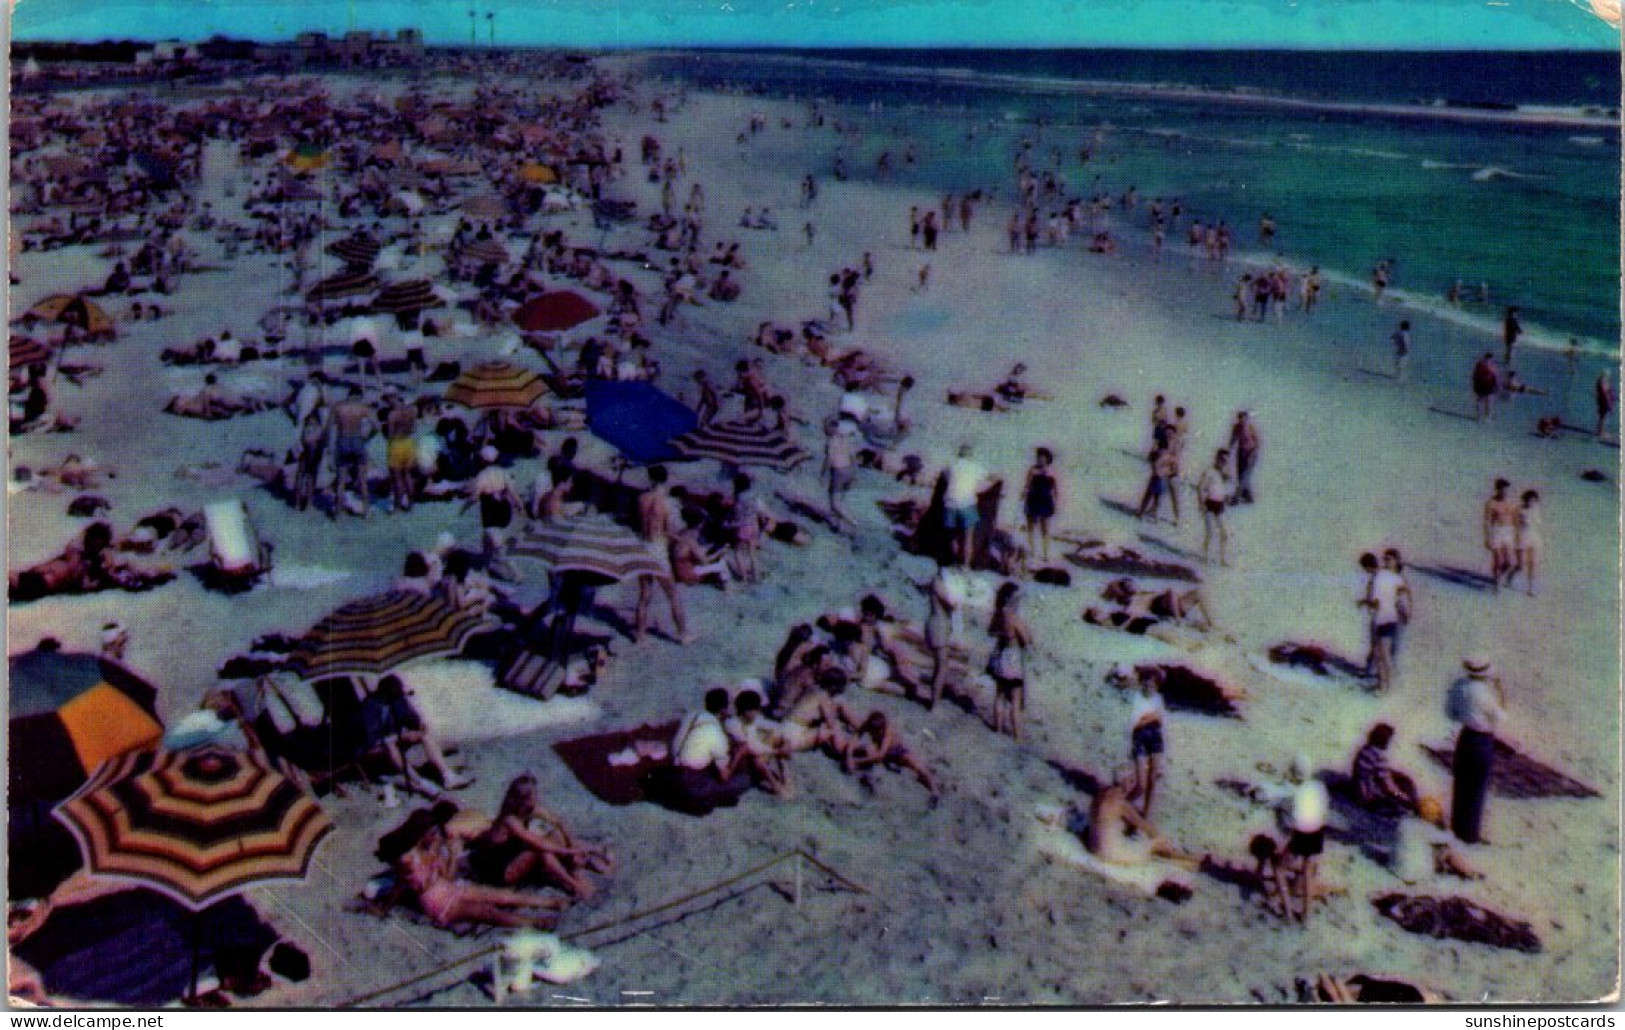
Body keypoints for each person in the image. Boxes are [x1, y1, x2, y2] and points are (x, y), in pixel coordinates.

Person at [382, 804, 564, 930]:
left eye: (435, 831)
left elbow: (448, 877)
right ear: (420, 834)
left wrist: (452, 855)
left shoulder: (434, 847)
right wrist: (384, 906)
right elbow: (400, 885)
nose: (436, 835)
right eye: (432, 833)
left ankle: (550, 903)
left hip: (451, 888)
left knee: (495, 894)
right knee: (484, 911)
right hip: (439, 904)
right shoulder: (407, 859)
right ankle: (534, 922)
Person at [469, 775, 615, 899]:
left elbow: (559, 822)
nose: (538, 797)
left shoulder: (528, 809)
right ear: (524, 799)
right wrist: (571, 852)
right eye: (534, 795)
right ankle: (575, 885)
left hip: (514, 856)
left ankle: (586, 859)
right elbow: (538, 844)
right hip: (499, 872)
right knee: (540, 851)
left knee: (554, 836)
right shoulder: (510, 820)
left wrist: (571, 844)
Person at [364, 676, 474, 792]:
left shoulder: (398, 699)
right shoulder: (369, 708)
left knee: (424, 736)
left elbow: (411, 719)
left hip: (394, 739)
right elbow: (373, 740)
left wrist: (419, 724)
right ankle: (420, 782)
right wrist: (401, 737)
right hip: (370, 748)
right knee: (389, 745)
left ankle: (448, 777)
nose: (399, 697)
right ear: (384, 693)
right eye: (395, 695)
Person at [1446, 656, 1507, 844]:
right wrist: (1501, 691)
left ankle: (1457, 829)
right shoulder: (1486, 693)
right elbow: (1501, 717)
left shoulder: (1459, 686)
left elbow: (1450, 713)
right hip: (1482, 740)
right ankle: (1470, 835)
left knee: (1461, 785)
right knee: (1477, 789)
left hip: (1465, 737)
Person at [634, 465, 691, 644]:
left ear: (650, 478)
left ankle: (640, 636)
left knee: (644, 594)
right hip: (658, 548)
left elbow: (640, 524)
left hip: (642, 546)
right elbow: (668, 530)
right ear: (666, 480)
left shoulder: (641, 498)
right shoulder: (667, 502)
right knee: (672, 593)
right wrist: (682, 539)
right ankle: (683, 635)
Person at [1084, 768, 1181, 866]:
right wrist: (1161, 839)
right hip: (1108, 854)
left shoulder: (1100, 794)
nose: (1133, 785)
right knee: (1157, 844)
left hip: (1092, 847)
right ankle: (1186, 859)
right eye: (1131, 781)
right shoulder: (1121, 804)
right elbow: (1147, 827)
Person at [841, 711, 939, 800]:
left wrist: (856, 761)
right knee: (867, 750)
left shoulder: (888, 731)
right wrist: (849, 755)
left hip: (897, 751)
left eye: (877, 731)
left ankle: (935, 791)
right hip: (881, 751)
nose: (874, 734)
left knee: (918, 767)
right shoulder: (868, 724)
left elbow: (881, 755)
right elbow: (856, 736)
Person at [461, 449, 522, 581]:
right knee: (488, 539)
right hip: (504, 511)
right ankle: (486, 565)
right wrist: (520, 506)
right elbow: (513, 493)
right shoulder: (503, 472)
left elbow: (475, 497)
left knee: (496, 542)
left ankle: (515, 573)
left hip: (491, 512)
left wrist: (463, 507)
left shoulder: (482, 475)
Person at [1280, 764, 1330, 923]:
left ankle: (1288, 913)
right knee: (1308, 871)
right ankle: (1307, 915)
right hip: (1318, 831)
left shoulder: (1295, 792)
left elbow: (1290, 821)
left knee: (1279, 869)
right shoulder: (1319, 786)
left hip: (1302, 832)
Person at [986, 582, 1033, 741]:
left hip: (1000, 655)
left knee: (999, 695)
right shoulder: (1015, 618)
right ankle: (1017, 737)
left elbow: (991, 631)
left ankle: (997, 729)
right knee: (1015, 700)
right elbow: (1026, 640)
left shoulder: (998, 614)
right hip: (1013, 658)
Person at [1358, 552, 1409, 692]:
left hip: (1381, 619)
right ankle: (1385, 684)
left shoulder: (1375, 579)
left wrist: (1365, 602)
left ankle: (1383, 687)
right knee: (1385, 654)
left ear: (1367, 567)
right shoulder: (1390, 575)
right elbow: (1402, 591)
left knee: (1382, 655)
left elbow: (1376, 603)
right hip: (1392, 618)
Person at [327, 385, 377, 518]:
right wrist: (367, 437)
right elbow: (376, 426)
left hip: (343, 440)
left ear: (348, 395)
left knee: (341, 479)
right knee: (362, 479)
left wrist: (328, 448)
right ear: (359, 396)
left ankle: (338, 512)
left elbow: (328, 427)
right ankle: (366, 511)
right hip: (357, 440)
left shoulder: (337, 407)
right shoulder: (363, 408)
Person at [1351, 723, 1422, 816]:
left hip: (1357, 790)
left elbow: (1377, 770)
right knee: (1401, 807)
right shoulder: (1379, 756)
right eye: (1390, 740)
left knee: (1398, 777)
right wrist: (1404, 798)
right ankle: (1415, 808)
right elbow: (1388, 786)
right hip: (1368, 799)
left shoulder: (1366, 749)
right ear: (1385, 740)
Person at [921, 557, 964, 710]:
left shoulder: (938, 581)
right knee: (941, 666)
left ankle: (935, 700)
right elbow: (950, 602)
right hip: (939, 624)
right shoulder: (938, 582)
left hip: (940, 624)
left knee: (939, 666)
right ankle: (935, 704)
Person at [944, 444, 991, 566]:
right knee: (968, 538)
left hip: (950, 503)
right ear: (970, 456)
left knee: (953, 536)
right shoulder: (975, 467)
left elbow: (946, 478)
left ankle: (953, 562)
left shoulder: (950, 466)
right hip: (967, 503)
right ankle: (965, 566)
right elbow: (990, 478)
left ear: (959, 454)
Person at [1128, 667, 1166, 817]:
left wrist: (1147, 718)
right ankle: (1122, 804)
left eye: (1152, 685)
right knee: (1141, 785)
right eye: (1146, 683)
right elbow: (1135, 723)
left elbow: (1161, 719)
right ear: (1141, 683)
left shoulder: (1158, 698)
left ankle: (1146, 815)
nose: (1149, 687)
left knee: (1153, 781)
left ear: (1156, 686)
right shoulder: (1135, 697)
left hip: (1155, 737)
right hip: (1139, 739)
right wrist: (1152, 717)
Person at [1022, 447, 1060, 561]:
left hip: (1046, 501)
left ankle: (1046, 554)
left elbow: (1056, 490)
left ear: (1047, 459)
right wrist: (1023, 494)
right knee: (1031, 527)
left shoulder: (1052, 472)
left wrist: (1057, 503)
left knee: (1045, 529)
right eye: (1038, 457)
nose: (1040, 460)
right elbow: (1027, 485)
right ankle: (1032, 551)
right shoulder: (1032, 470)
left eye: (1042, 457)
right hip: (1033, 500)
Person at [1195, 448, 1232, 566]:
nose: (1223, 462)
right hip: (1209, 504)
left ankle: (1223, 559)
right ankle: (1205, 557)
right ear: (1216, 458)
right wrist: (1201, 504)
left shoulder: (1225, 475)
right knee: (1210, 532)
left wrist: (1227, 497)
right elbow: (1200, 488)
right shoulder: (1209, 472)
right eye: (1221, 459)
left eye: (1225, 460)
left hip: (1220, 505)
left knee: (1224, 533)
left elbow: (1225, 490)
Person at [384, 394, 418, 513]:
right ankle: (411, 504)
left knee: (397, 478)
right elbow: (414, 429)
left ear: (391, 399)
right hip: (409, 443)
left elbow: (390, 434)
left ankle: (397, 506)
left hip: (396, 444)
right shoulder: (412, 411)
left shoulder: (392, 414)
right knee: (408, 475)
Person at [1482, 478, 1518, 592]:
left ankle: (1497, 576)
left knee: (1509, 562)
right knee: (1498, 560)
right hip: (1496, 531)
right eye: (1502, 489)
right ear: (1497, 489)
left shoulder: (1511, 503)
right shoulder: (1491, 503)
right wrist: (1487, 537)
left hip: (1508, 532)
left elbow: (1515, 519)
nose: (1505, 492)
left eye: (1506, 490)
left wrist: (1516, 534)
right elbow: (1487, 522)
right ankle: (1496, 583)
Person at [822, 414, 859, 525]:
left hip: (839, 471)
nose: (824, 429)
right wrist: (855, 475)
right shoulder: (845, 437)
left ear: (831, 428)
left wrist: (823, 474)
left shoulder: (831, 441)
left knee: (835, 503)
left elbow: (829, 459)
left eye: (825, 427)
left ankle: (853, 522)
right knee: (840, 499)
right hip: (849, 470)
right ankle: (838, 524)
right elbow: (853, 457)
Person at [292, 409, 326, 512]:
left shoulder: (305, 422)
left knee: (300, 475)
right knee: (311, 477)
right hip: (313, 449)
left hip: (304, 449)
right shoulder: (318, 424)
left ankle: (297, 503)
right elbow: (322, 439)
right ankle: (308, 503)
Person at [1513, 490, 1543, 597]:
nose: (1532, 502)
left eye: (1534, 500)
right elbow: (1514, 524)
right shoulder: (1518, 510)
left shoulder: (1536, 510)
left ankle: (1531, 587)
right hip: (1521, 537)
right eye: (1530, 500)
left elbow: (1538, 523)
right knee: (1520, 565)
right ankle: (1510, 576)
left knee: (1533, 563)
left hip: (1534, 538)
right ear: (1525, 500)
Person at [1228, 411, 1259, 504]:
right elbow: (1233, 439)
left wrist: (1252, 454)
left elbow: (1257, 442)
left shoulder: (1250, 427)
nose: (1242, 421)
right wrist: (1229, 450)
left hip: (1251, 452)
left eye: (1243, 419)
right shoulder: (1236, 428)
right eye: (1240, 418)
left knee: (1244, 476)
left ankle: (1236, 497)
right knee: (1240, 475)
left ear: (1246, 419)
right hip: (1241, 452)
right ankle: (1248, 496)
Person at [1471, 352, 1500, 421]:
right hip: (1486, 385)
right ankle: (1485, 417)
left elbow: (1475, 375)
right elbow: (1495, 377)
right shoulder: (1491, 366)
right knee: (1487, 402)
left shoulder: (1480, 364)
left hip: (1482, 385)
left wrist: (1474, 385)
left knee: (1481, 401)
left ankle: (1479, 416)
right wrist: (1496, 387)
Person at [1595, 370, 1615, 441]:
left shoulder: (1599, 381)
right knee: (1603, 417)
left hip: (1601, 401)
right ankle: (1601, 433)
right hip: (1604, 402)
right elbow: (1606, 394)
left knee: (1601, 416)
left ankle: (1599, 431)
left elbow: (1599, 392)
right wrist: (1610, 405)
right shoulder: (1604, 381)